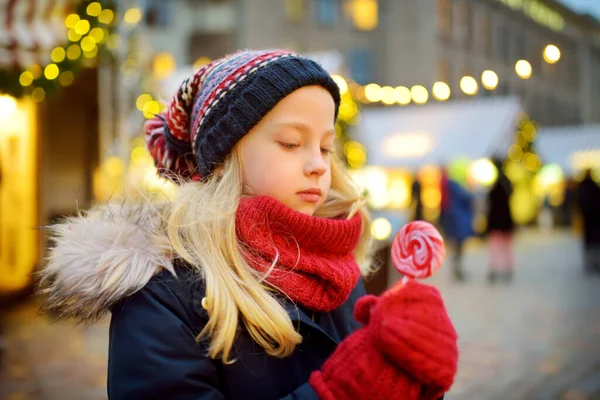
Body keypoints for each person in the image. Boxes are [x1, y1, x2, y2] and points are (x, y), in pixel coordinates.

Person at [38, 50, 458, 399]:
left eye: (326, 147)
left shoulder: (338, 269)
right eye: (291, 143)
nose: (317, 165)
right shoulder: (162, 295)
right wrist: (341, 392)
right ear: (224, 158)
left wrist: (412, 378)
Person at [439, 166, 474, 281]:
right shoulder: (456, 185)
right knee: (459, 247)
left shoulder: (447, 185)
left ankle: (456, 270)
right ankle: (457, 271)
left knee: (456, 247)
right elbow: (468, 198)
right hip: (459, 220)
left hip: (452, 219)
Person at [485, 159, 515, 283]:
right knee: (505, 247)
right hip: (505, 221)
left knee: (496, 247)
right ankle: (507, 268)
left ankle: (496, 269)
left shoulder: (496, 185)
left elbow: (490, 203)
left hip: (496, 221)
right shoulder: (507, 183)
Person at [577, 169, 600, 273]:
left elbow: (580, 202)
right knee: (594, 240)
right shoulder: (593, 187)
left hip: (589, 218)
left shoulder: (583, 187)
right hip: (594, 218)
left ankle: (591, 262)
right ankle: (593, 262)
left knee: (590, 241)